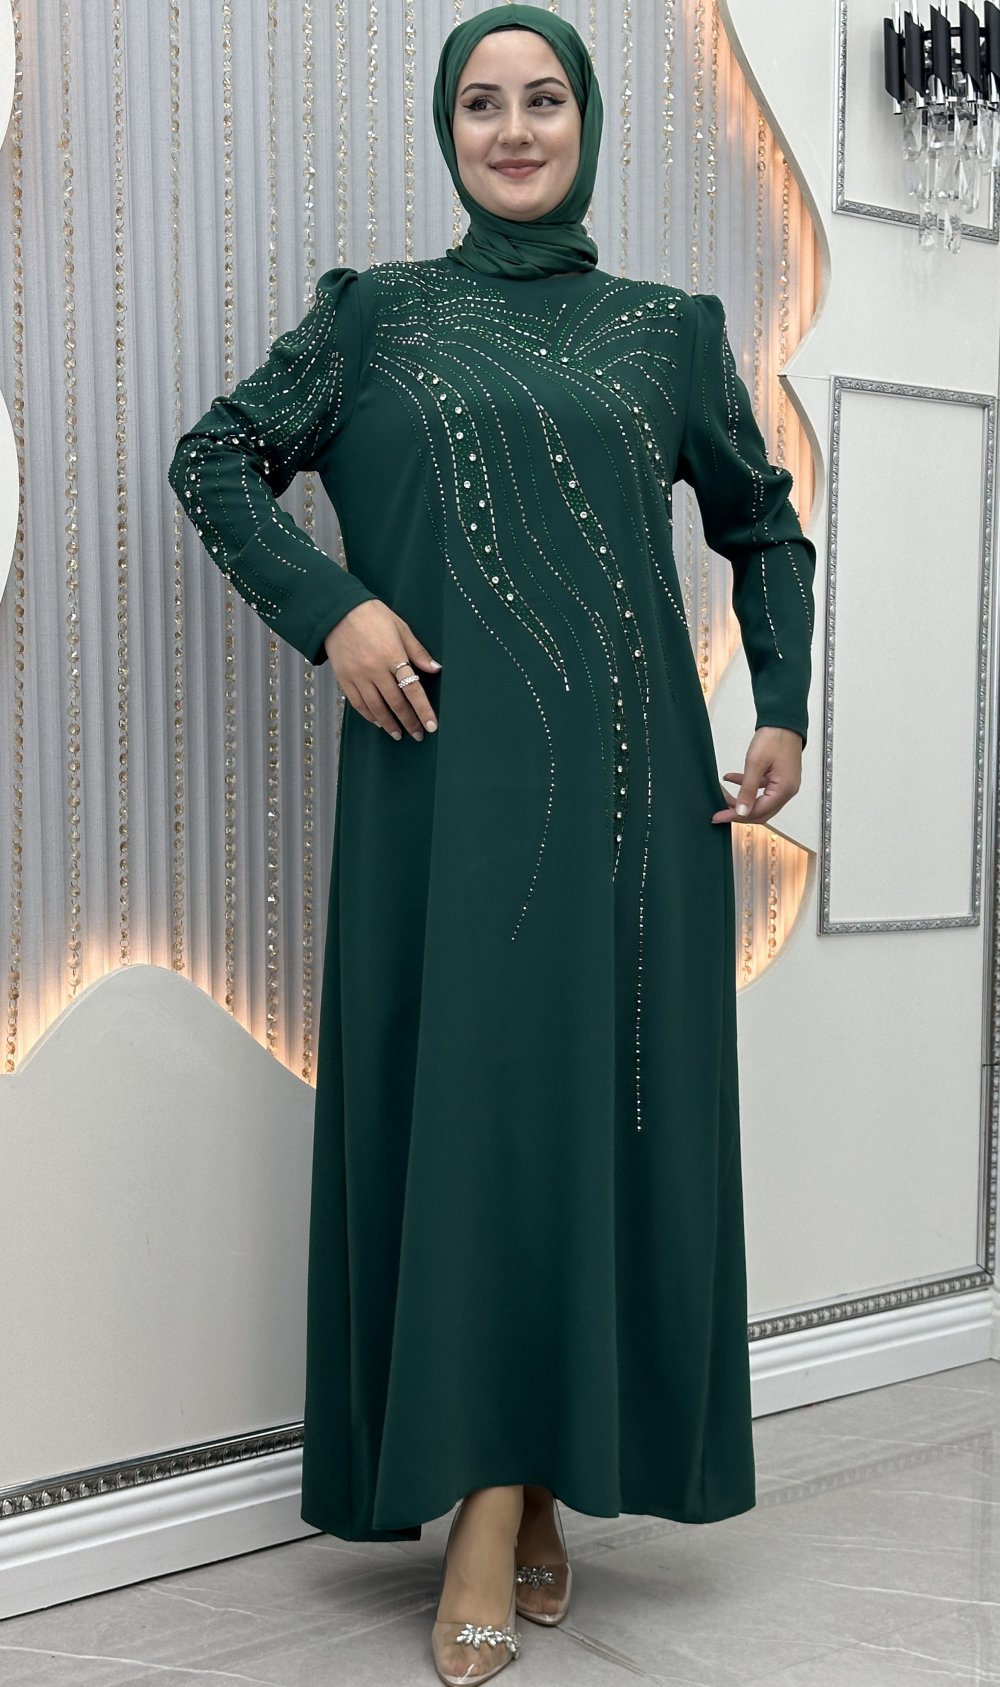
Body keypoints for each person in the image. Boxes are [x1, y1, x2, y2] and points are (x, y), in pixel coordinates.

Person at [168, 6, 816, 1682]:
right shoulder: (372, 316)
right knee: (467, 1132)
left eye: (543, 101)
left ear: (585, 123)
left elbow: (762, 526)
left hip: (626, 812)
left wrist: (783, 709)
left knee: (576, 1134)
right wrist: (334, 609)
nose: (513, 129)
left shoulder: (668, 331)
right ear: (448, 131)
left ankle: (503, 1495)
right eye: (481, 103)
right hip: (435, 797)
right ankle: (506, 1486)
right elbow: (216, 458)